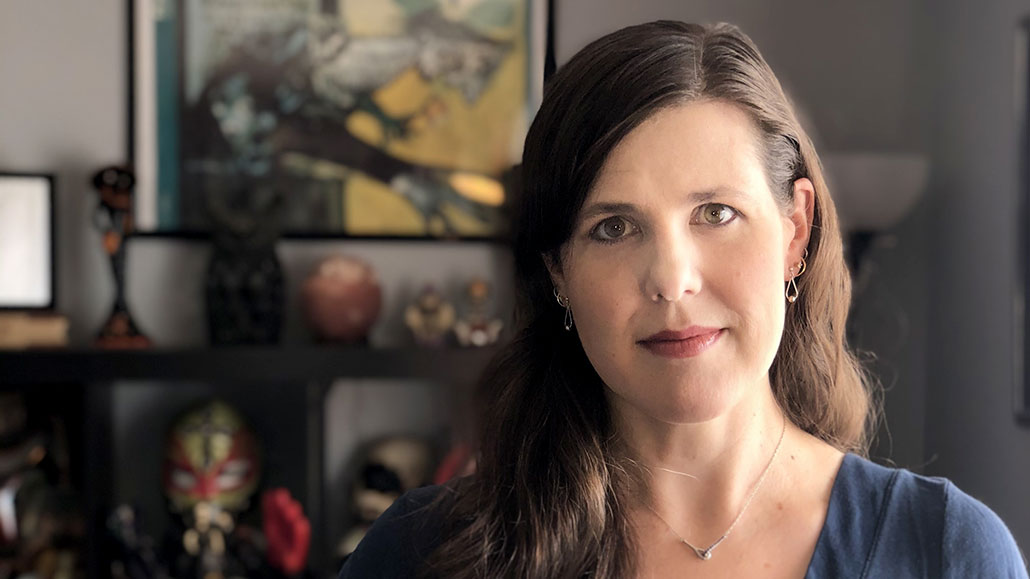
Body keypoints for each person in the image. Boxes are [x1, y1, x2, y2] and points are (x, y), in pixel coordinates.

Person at [339, 21, 1028, 578]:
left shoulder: (947, 552)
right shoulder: (421, 552)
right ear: (558, 273)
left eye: (716, 214)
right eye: (613, 227)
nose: (671, 279)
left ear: (795, 231)